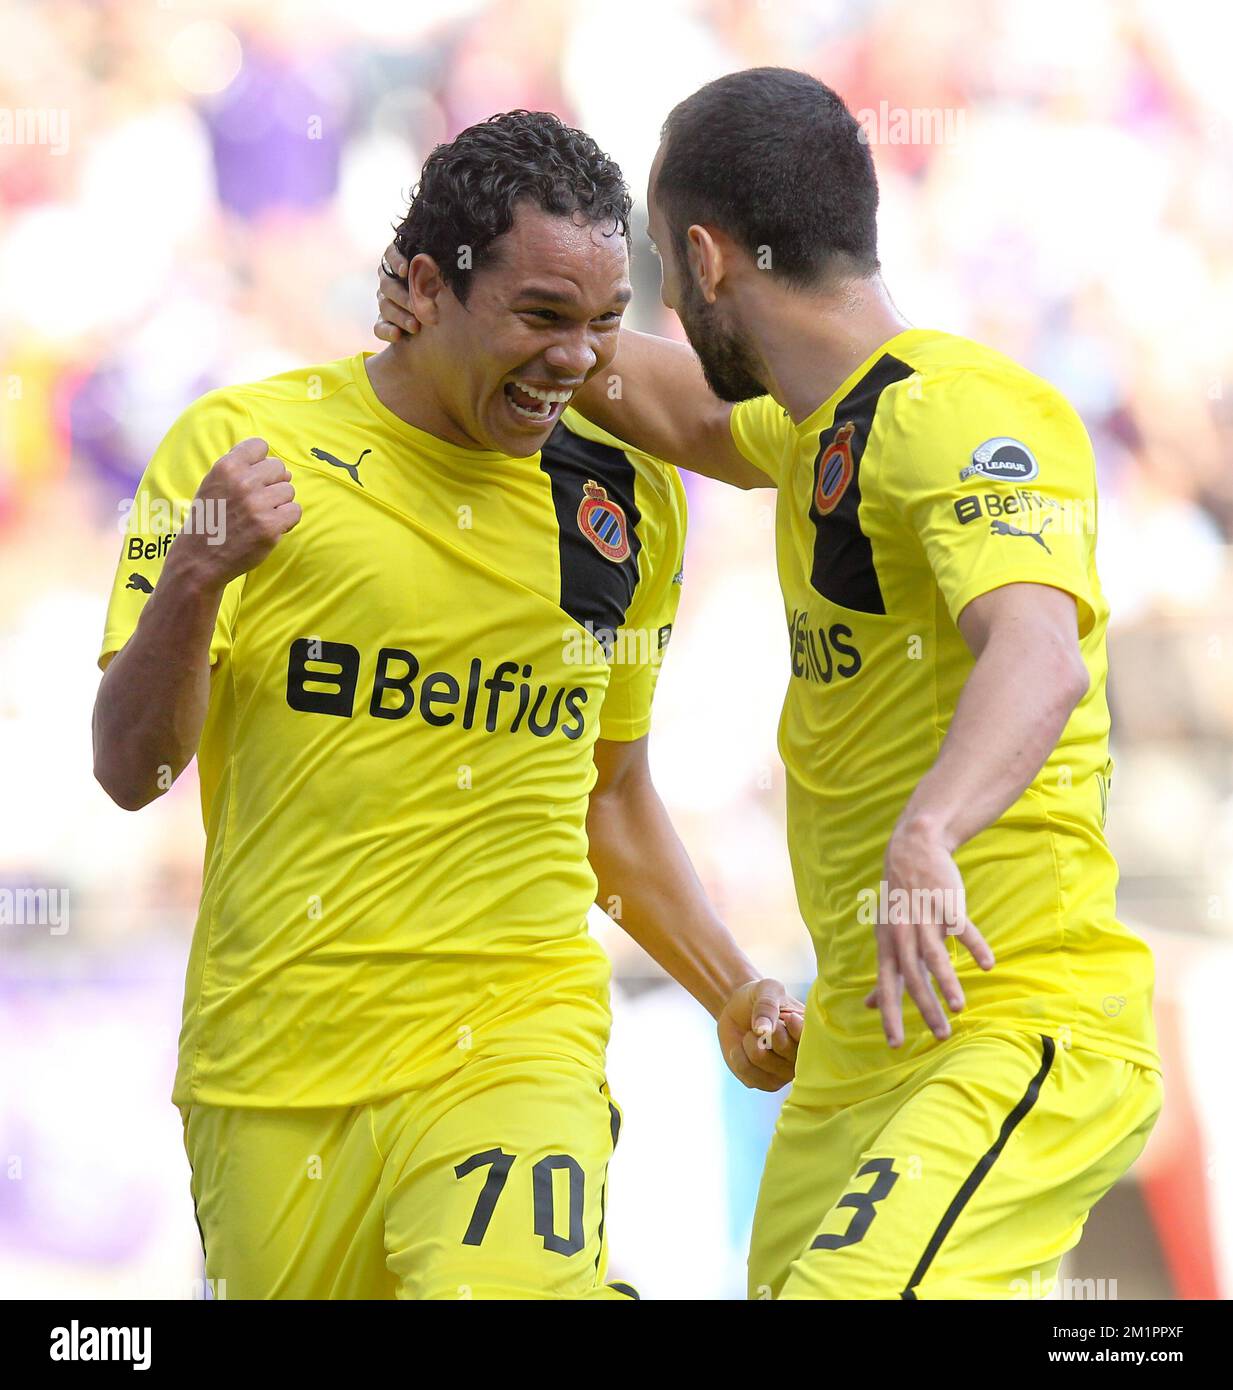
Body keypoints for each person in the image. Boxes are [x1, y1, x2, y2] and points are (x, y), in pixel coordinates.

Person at [377, 67, 1163, 1301]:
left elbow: (1038, 652)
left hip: (1015, 1021)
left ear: (703, 257)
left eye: (651, 277)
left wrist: (930, 830)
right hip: (860, 1050)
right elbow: (676, 412)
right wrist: (483, 323)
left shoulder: (966, 411)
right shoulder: (817, 425)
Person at [94, 110, 801, 1302]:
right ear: (425, 288)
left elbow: (610, 795)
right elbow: (131, 771)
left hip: (517, 1035)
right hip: (273, 1068)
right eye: (539, 317)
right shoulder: (240, 453)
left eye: (601, 323)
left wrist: (731, 984)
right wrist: (200, 577)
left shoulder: (621, 500)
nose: (577, 360)